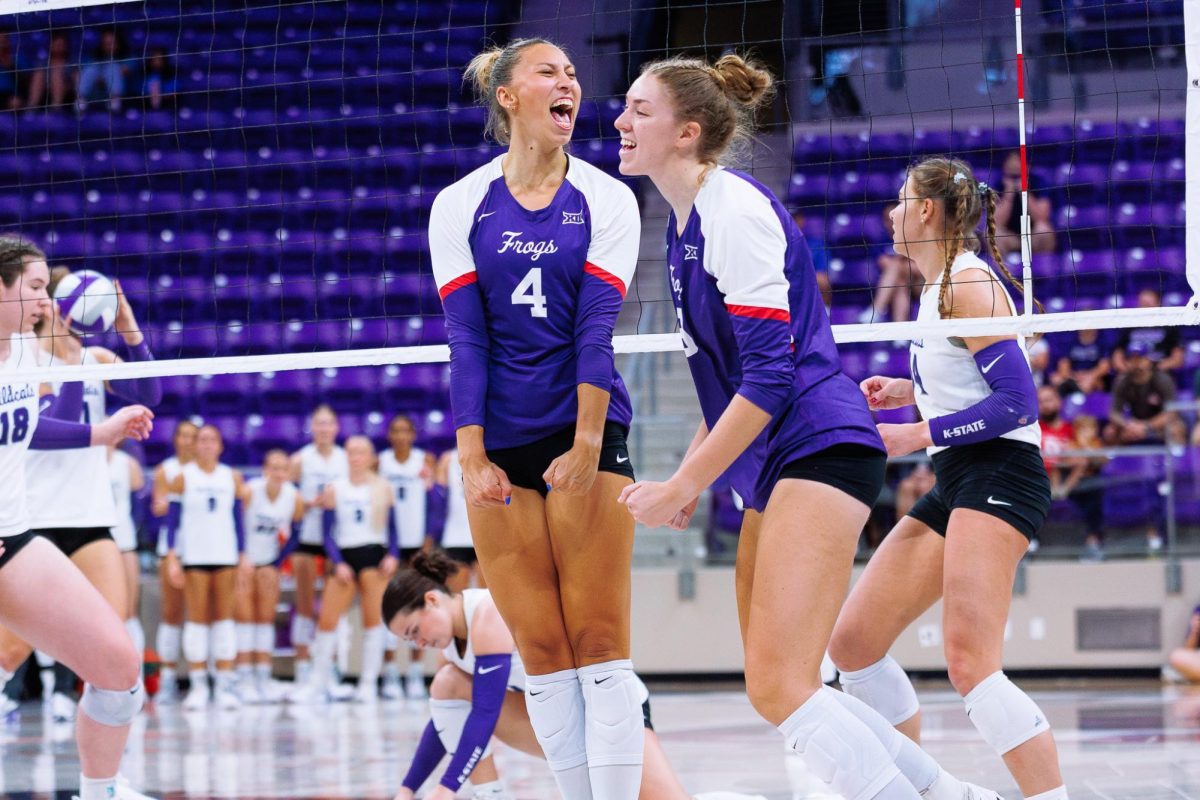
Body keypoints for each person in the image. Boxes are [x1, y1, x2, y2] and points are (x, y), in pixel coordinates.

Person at [616, 59, 998, 800]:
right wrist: (693, 473)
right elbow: (725, 383)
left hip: (819, 444)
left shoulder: (734, 213)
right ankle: (954, 795)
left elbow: (766, 378)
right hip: (779, 460)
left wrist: (683, 483)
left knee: (784, 684)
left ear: (687, 132)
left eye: (638, 110)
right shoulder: (690, 225)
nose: (621, 123)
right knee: (776, 686)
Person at [430, 38, 643, 799]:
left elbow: (596, 327)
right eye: (549, 72)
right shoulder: (459, 204)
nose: (570, 84)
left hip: (584, 428)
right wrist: (472, 454)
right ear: (508, 96)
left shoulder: (606, 197)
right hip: (500, 443)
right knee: (543, 649)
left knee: (599, 640)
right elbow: (466, 337)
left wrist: (589, 442)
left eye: (574, 76)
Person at [826, 158, 1070, 800]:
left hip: (1002, 474)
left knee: (970, 663)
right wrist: (909, 391)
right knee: (852, 645)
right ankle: (938, 792)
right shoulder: (937, 290)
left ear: (928, 211)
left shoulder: (967, 282)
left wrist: (917, 431)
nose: (890, 212)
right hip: (958, 478)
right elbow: (965, 380)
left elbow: (1017, 404)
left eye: (902, 200)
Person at [383, 552, 767, 800]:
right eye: (409, 641)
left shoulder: (486, 613)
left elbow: (484, 715)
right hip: (562, 719)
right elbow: (444, 719)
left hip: (609, 710)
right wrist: (407, 789)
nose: (419, 644)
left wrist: (446, 788)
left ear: (432, 600)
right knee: (447, 684)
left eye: (415, 631)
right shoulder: (450, 642)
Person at [0, 235, 156, 800]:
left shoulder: (19, 356)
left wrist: (102, 431)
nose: (48, 301)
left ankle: (101, 790)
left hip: (17, 538)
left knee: (117, 667)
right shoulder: (28, 355)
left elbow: (26, 428)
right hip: (29, 526)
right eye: (37, 288)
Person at [21, 266, 160, 722]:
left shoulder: (95, 356)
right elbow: (57, 427)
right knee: (11, 646)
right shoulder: (25, 361)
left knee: (111, 645)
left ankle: (101, 778)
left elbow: (150, 391)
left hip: (89, 517)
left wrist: (128, 327)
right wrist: (74, 358)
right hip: (35, 519)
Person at [291, 435, 399, 704]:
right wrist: (337, 562)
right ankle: (318, 681)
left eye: (361, 452)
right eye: (351, 452)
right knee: (327, 620)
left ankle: (368, 682)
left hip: (373, 555)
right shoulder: (334, 489)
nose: (355, 457)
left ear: (370, 457)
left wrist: (393, 555)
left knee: (373, 622)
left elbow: (393, 530)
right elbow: (327, 533)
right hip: (344, 556)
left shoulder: (383, 488)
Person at [163, 424, 252, 710]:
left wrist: (242, 554)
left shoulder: (231, 477)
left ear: (220, 446)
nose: (206, 444)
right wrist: (173, 555)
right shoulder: (182, 478)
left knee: (224, 619)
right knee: (197, 619)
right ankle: (199, 684)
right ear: (194, 445)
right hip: (195, 557)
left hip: (225, 555)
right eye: (202, 440)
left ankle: (224, 682)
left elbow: (238, 520)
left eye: (212, 439)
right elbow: (172, 522)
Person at [235, 448, 302, 703]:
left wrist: (276, 562)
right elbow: (235, 524)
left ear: (288, 472)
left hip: (268, 563)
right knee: (244, 618)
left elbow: (295, 533)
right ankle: (243, 678)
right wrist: (241, 557)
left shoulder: (292, 497)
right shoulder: (250, 491)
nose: (278, 473)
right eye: (273, 467)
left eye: (282, 468)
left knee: (264, 619)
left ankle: (262, 678)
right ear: (265, 469)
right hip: (243, 561)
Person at [288, 405, 348, 684]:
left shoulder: (345, 459)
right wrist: (307, 503)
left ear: (336, 428)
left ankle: (330, 665)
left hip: (337, 539)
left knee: (332, 608)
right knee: (304, 604)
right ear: (312, 427)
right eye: (319, 424)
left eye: (328, 424)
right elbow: (285, 498)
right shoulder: (300, 460)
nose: (324, 429)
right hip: (307, 537)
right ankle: (302, 666)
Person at [377, 413, 436, 699]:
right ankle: (390, 673)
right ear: (390, 435)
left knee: (416, 606)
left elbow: (435, 503)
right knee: (390, 605)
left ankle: (414, 673)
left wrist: (427, 542)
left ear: (413, 434)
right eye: (395, 430)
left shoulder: (424, 461)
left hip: (416, 543)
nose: (400, 435)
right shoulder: (381, 463)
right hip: (390, 544)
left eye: (405, 430)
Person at [150, 419, 197, 703]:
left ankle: (203, 677)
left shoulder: (207, 473)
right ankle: (167, 678)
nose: (188, 441)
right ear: (177, 439)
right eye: (184, 435)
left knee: (202, 617)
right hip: (170, 549)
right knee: (171, 614)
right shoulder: (165, 470)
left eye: (193, 436)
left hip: (201, 548)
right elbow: (159, 508)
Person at [1104, 341, 1186, 447]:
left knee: (1177, 430)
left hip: (1157, 426)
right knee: (1110, 432)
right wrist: (1127, 424)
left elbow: (1172, 412)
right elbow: (1114, 413)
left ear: (1149, 360)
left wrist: (1147, 426)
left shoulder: (1163, 379)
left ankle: (1177, 463)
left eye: (1140, 359)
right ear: (1127, 362)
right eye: (1132, 359)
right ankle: (1115, 463)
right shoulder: (1122, 381)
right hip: (1132, 425)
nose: (1137, 363)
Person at [108, 444, 146, 664]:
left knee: (129, 612)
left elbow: (138, 508)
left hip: (124, 542)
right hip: (92, 540)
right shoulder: (84, 460)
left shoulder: (127, 463)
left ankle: (136, 675)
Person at [861, 201, 924, 324]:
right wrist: (905, 259)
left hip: (922, 284)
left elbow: (922, 268)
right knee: (900, 282)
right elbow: (883, 263)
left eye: (895, 217)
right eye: (888, 219)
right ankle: (899, 335)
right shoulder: (881, 241)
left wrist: (899, 261)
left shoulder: (916, 237)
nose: (891, 222)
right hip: (900, 282)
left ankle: (877, 310)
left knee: (895, 266)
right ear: (884, 221)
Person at [992, 150, 1056, 258]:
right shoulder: (998, 185)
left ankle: (1044, 270)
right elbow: (996, 221)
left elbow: (1042, 217)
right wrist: (1009, 194)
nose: (1014, 166)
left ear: (1027, 166)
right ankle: (1002, 272)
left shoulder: (1038, 182)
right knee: (993, 233)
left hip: (1033, 235)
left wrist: (1025, 193)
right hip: (1010, 236)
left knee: (1043, 230)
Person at [435, 447, 483, 590]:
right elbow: (438, 500)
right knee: (457, 597)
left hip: (485, 536)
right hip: (455, 537)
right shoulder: (448, 459)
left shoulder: (489, 454)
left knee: (488, 598)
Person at [1113, 289, 1185, 375]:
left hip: (1160, 371)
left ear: (1158, 304)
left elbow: (1178, 358)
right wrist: (1126, 369)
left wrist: (1155, 369)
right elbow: (1117, 354)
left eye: (1148, 304)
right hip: (1132, 370)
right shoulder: (1128, 325)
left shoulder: (1169, 325)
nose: (1145, 308)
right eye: (1142, 304)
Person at [77, 27, 132, 112]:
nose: (109, 46)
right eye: (106, 43)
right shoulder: (94, 60)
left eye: (111, 43)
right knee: (90, 69)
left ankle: (115, 100)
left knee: (112, 67)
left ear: (118, 43)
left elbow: (126, 71)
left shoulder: (127, 58)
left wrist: (107, 75)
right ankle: (81, 99)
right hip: (95, 93)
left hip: (123, 95)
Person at [1048, 329, 1112, 397]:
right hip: (1074, 376)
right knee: (1058, 381)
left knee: (1094, 384)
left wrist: (1090, 376)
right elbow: (1063, 365)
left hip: (1093, 376)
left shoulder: (1103, 338)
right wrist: (1074, 378)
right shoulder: (1070, 338)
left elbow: (1104, 366)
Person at [27, 33, 75, 109]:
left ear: (66, 46)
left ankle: (56, 108)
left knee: (57, 78)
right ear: (51, 45)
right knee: (38, 75)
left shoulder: (70, 63)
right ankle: (32, 107)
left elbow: (76, 80)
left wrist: (68, 85)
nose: (59, 47)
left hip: (66, 91)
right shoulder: (43, 63)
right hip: (45, 90)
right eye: (57, 44)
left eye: (61, 45)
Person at [0, 33, 28, 110]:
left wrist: (10, 67)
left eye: (4, 40)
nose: (1, 44)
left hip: (10, 94)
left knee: (16, 103)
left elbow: (24, 82)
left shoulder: (18, 58)